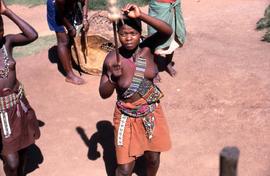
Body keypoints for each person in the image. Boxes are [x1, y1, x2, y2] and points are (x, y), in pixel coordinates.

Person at [99, 4, 172, 176]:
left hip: (151, 113)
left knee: (152, 159)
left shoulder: (148, 48)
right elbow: (103, 93)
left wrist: (141, 15)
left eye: (133, 34)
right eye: (123, 34)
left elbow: (167, 32)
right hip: (126, 116)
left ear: (140, 35)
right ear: (118, 35)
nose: (128, 38)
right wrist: (112, 79)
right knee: (124, 170)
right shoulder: (112, 59)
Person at [0, 0, 41, 175]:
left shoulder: (6, 43)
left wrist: (6, 11)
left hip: (18, 105)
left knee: (24, 148)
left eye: (0, 29)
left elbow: (32, 35)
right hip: (1, 113)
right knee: (12, 161)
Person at [47, 0, 89, 85]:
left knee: (74, 34)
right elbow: (60, 15)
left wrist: (85, 18)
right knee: (63, 40)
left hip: (69, 5)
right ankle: (69, 75)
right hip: (57, 10)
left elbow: (85, 1)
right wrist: (69, 27)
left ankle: (71, 60)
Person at [148, 0, 186, 77]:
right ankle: (154, 67)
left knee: (173, 35)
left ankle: (168, 63)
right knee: (155, 36)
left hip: (174, 3)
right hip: (158, 6)